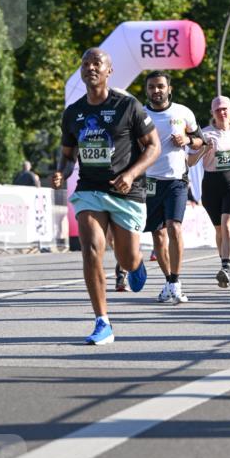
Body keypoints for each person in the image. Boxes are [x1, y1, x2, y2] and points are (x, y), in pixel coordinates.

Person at [51, 48, 160, 345]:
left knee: (125, 256)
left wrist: (131, 174)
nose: (90, 68)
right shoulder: (73, 113)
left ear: (109, 70)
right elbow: (67, 156)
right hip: (90, 190)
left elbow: (153, 147)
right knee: (92, 249)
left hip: (126, 190)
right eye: (85, 63)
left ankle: (135, 264)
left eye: (96, 63)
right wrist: (61, 172)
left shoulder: (128, 106)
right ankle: (103, 322)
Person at [143, 70, 203, 305]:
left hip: (177, 180)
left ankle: (176, 282)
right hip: (149, 181)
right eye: (151, 87)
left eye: (160, 86)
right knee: (158, 235)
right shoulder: (140, 114)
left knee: (174, 227)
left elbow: (200, 140)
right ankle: (168, 281)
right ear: (147, 90)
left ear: (169, 89)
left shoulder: (183, 112)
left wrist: (188, 140)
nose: (156, 91)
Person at [193, 96, 230, 288]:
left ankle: (227, 268)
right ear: (213, 113)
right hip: (211, 184)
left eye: (225, 109)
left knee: (227, 225)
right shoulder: (205, 134)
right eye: (218, 110)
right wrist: (204, 150)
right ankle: (224, 265)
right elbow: (191, 161)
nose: (222, 113)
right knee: (219, 230)